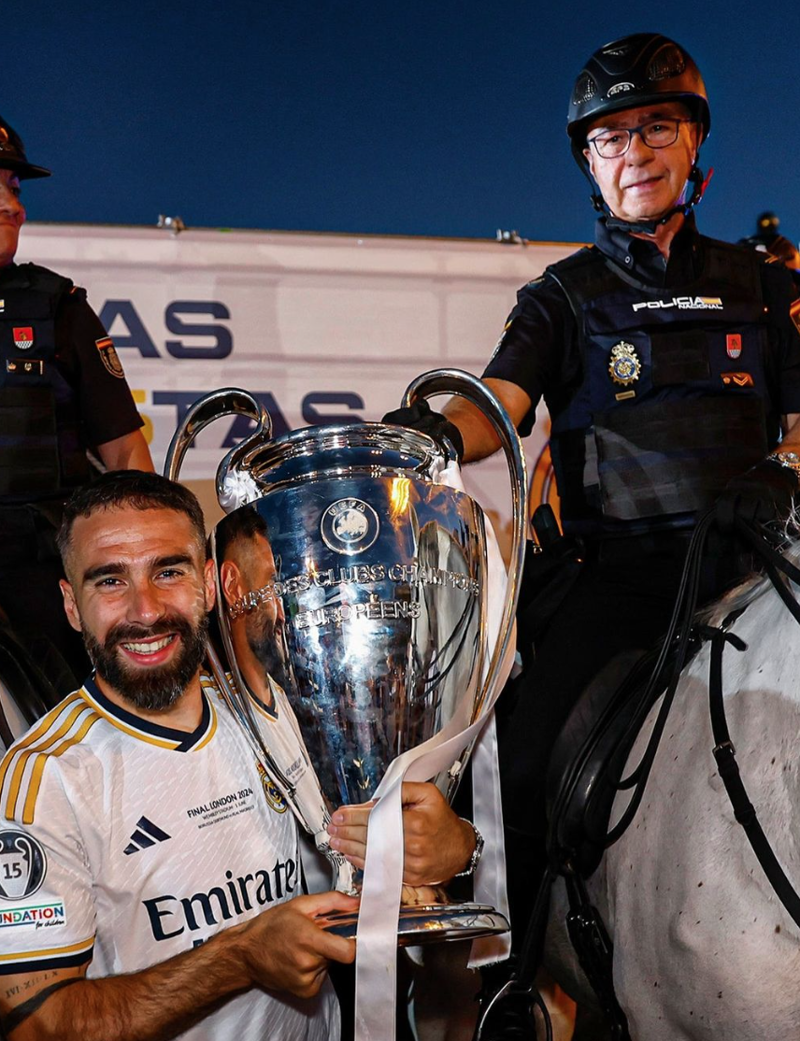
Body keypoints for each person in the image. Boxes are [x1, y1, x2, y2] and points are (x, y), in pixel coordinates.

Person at [385, 31, 800, 982]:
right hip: (617, 580)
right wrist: (426, 437)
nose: (636, 154)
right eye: (610, 139)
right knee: (518, 766)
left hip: (753, 575)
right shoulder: (562, 296)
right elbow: (497, 411)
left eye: (657, 127)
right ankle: (513, 979)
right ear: (589, 164)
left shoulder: (767, 289)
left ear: (695, 143)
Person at [0, 470, 477, 1041]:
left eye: (168, 572)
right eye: (109, 581)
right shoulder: (47, 777)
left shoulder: (275, 707)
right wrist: (239, 959)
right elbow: (35, 1023)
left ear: (208, 582)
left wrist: (454, 849)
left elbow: (370, 868)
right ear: (71, 605)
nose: (145, 611)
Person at [0, 115, 152, 697]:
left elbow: (126, 456)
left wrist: (141, 575)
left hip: (44, 581)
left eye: (15, 189)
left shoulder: (57, 308)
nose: (14, 206)